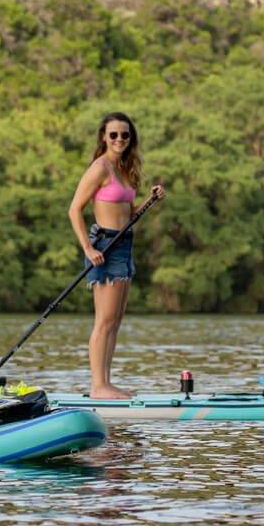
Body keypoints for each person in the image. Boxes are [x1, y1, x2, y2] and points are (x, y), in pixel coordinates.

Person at [68, 112, 165, 399]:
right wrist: (88, 248)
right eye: (114, 135)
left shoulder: (124, 169)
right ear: (103, 137)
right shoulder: (99, 169)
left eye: (125, 135)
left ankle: (106, 383)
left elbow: (128, 215)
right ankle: (98, 386)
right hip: (105, 247)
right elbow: (74, 209)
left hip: (125, 246)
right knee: (104, 320)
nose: (120, 139)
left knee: (116, 320)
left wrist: (150, 199)